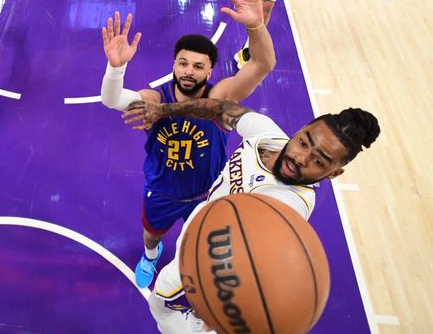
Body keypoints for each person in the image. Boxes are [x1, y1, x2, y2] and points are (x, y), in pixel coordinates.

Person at [122, 98, 380, 334]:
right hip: (196, 234)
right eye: (303, 142)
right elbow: (221, 108)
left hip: (205, 265)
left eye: (319, 161)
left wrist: (216, 305)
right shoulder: (266, 134)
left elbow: (250, 267)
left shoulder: (287, 204)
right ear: (300, 130)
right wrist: (164, 110)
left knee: (160, 305)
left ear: (334, 174)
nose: (301, 158)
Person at [100, 0, 276, 289]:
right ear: (174, 66)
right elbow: (113, 100)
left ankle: (190, 263)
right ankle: (151, 256)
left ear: (210, 72)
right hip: (163, 191)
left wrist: (255, 27)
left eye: (198, 66)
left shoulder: (221, 97)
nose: (188, 71)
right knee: (151, 234)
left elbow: (263, 63)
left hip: (208, 192)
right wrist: (116, 68)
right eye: (183, 63)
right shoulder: (156, 99)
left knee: (201, 241)